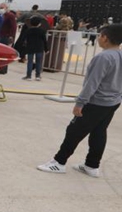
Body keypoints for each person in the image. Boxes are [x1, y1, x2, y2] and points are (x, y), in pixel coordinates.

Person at [37, 24, 122, 178]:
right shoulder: (119, 55)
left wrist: (80, 102)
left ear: (105, 38)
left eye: (100, 35)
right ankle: (92, 165)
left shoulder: (103, 57)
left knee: (74, 131)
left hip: (96, 102)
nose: (98, 39)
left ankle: (59, 162)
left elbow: (92, 83)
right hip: (112, 101)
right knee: (98, 132)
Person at [21, 16, 48, 81]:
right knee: (38, 62)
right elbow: (44, 41)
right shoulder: (42, 31)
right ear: (39, 24)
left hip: (30, 48)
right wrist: (46, 49)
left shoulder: (28, 30)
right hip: (39, 48)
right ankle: (38, 76)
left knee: (30, 62)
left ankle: (28, 76)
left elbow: (23, 39)